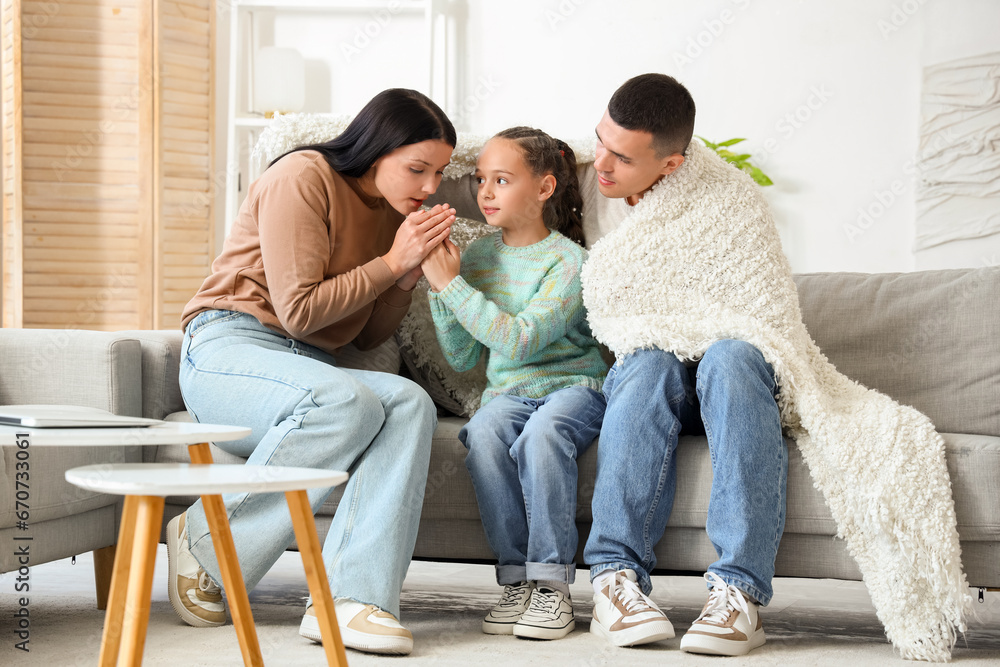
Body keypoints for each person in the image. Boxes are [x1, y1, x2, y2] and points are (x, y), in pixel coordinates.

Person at [170, 88, 457, 656]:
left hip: (312, 369)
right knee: (346, 401)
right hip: (230, 350)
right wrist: (391, 262)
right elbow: (300, 313)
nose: (429, 188)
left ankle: (352, 599)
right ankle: (203, 537)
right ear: (375, 149)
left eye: (439, 173)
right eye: (417, 169)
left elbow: (366, 335)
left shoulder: (392, 215)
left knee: (408, 402)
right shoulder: (303, 176)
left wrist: (404, 278)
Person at [580, 74, 787, 656]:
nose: (601, 162)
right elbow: (497, 163)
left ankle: (738, 592)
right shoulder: (583, 177)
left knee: (735, 353)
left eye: (621, 157)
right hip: (651, 380)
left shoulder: (730, 200)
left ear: (671, 165)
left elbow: (763, 316)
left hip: (730, 382)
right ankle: (615, 580)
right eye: (600, 139)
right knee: (648, 359)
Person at [421, 127, 608, 641]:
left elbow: (522, 342)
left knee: (544, 435)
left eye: (501, 180)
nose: (484, 192)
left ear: (545, 189)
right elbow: (462, 355)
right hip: (507, 394)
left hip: (574, 387)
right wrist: (442, 289)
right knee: (482, 433)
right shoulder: (477, 258)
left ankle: (551, 586)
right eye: (481, 179)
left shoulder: (570, 263)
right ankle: (518, 581)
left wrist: (450, 286)